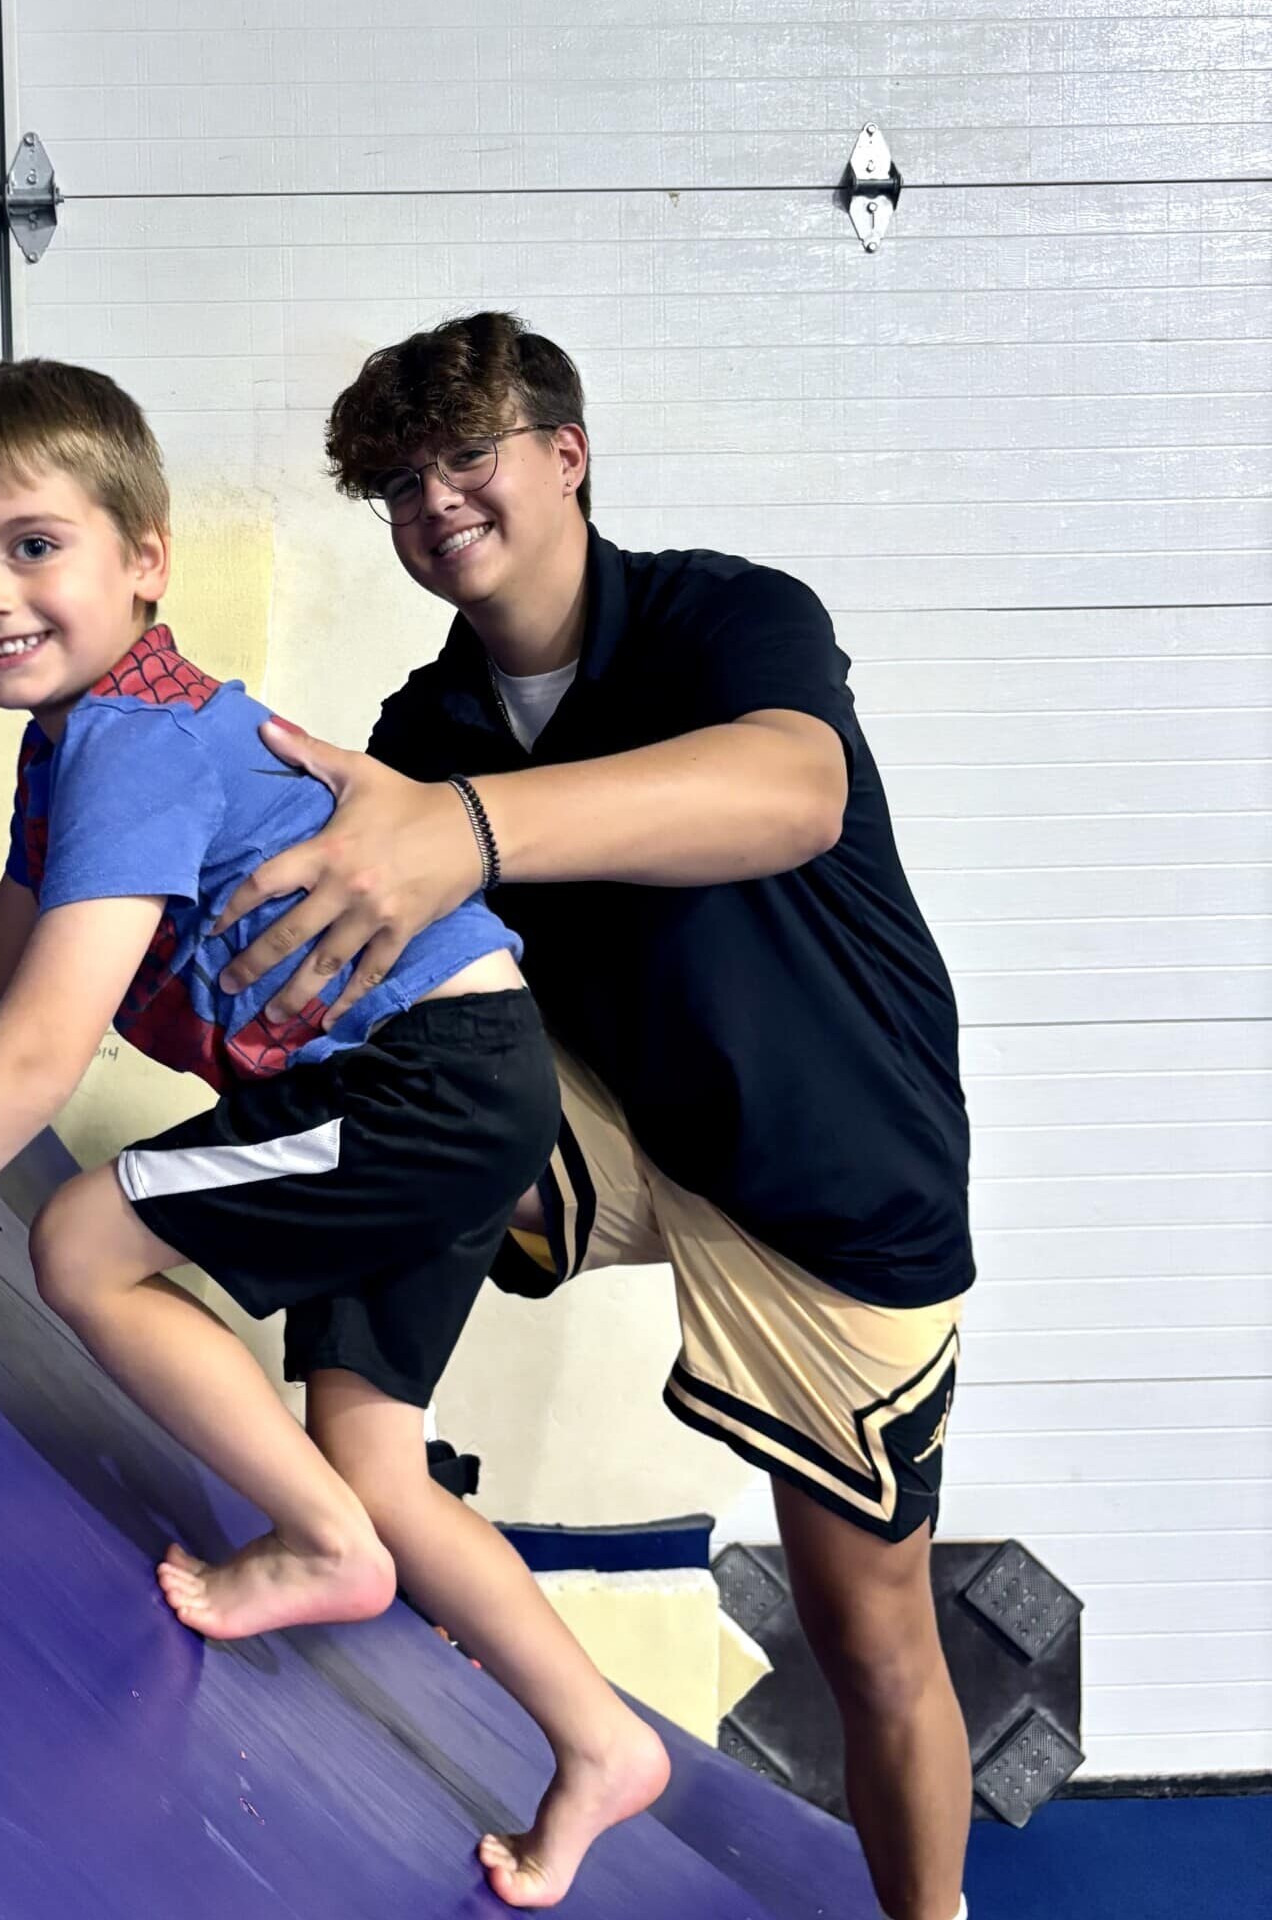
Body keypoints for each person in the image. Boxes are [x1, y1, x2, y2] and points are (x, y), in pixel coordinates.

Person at [0, 358, 670, 1909]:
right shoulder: (89, 735)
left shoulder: (130, 741)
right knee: (377, 1456)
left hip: (425, 1077)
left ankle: (323, 1547)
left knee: (81, 1239)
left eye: (32, 545)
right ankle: (599, 1741)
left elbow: (39, 1049)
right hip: (465, 1066)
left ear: (145, 560)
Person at [212, 312, 977, 1920]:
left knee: (870, 1633)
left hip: (833, 1174)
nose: (436, 505)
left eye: (468, 459)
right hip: (614, 1126)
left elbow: (794, 792)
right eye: (403, 486)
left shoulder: (729, 615)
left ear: (566, 455)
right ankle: (360, 1502)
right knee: (369, 1085)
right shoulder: (426, 733)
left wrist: (469, 835)